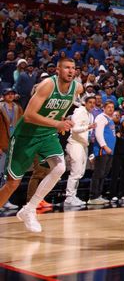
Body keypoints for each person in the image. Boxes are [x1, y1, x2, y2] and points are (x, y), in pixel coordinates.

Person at [0, 57, 81, 232]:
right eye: (66, 67)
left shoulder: (77, 87)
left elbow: (63, 107)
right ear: (58, 70)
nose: (70, 71)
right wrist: (57, 124)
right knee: (12, 184)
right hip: (26, 136)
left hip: (47, 134)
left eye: (73, 68)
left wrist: (62, 119)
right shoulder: (48, 85)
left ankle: (29, 209)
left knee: (59, 167)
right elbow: (28, 115)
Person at [63, 94, 96, 207]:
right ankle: (69, 197)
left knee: (80, 172)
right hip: (75, 143)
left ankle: (73, 196)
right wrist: (88, 127)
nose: (92, 104)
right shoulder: (79, 112)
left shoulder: (89, 114)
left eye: (93, 102)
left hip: (83, 144)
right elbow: (75, 129)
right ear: (85, 103)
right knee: (75, 171)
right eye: (90, 102)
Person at [88, 101, 116, 205]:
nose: (111, 109)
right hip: (102, 150)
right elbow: (98, 134)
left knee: (103, 174)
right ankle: (93, 196)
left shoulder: (110, 119)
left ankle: (98, 195)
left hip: (109, 151)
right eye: (108, 107)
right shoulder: (101, 117)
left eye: (112, 107)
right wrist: (105, 146)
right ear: (104, 108)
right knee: (98, 173)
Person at [0, 88, 23, 210]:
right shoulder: (0, 107)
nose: (10, 96)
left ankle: (5, 200)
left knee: (8, 174)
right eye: (7, 94)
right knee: (0, 173)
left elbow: (23, 123)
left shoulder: (17, 107)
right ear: (3, 96)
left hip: (14, 142)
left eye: (12, 94)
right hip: (2, 143)